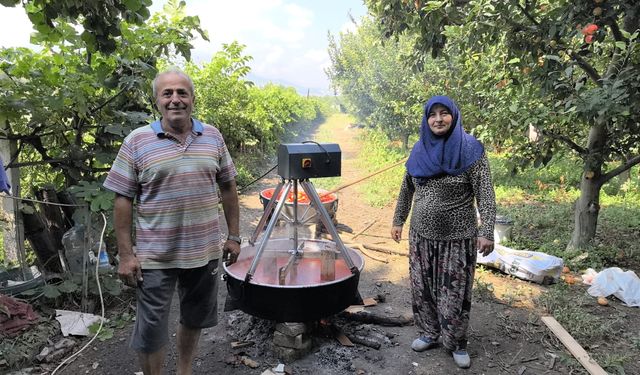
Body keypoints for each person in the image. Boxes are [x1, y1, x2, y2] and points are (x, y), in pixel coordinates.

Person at [103, 68, 241, 375]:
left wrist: (234, 236)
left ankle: (184, 371)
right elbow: (122, 197)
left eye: (182, 92)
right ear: (157, 101)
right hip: (155, 256)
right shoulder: (137, 141)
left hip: (203, 251)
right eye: (168, 93)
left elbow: (229, 186)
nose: (175, 99)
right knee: (151, 329)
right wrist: (126, 255)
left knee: (195, 318)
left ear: (192, 98)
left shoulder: (213, 136)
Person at [390, 95, 495, 369]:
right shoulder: (419, 149)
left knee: (454, 293)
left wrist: (487, 230)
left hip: (457, 239)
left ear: (454, 115)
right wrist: (398, 220)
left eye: (443, 113)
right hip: (421, 235)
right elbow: (407, 189)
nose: (438, 119)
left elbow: (486, 194)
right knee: (422, 288)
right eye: (432, 114)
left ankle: (456, 342)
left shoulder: (470, 150)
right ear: (426, 120)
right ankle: (428, 333)